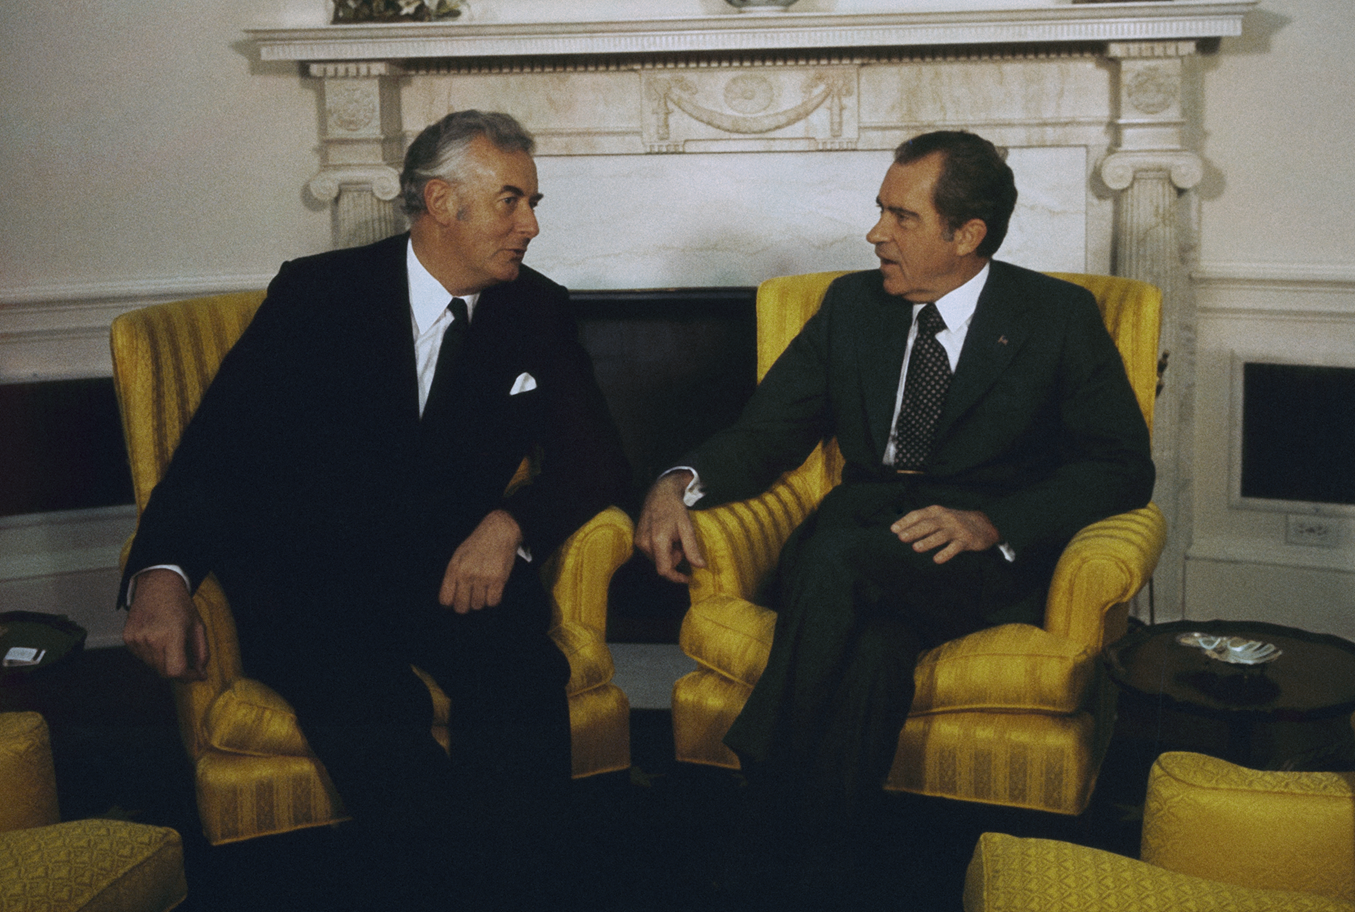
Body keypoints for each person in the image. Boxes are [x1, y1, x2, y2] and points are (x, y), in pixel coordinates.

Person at [121, 110, 629, 910]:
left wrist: (509, 525)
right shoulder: (319, 294)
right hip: (315, 578)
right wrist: (162, 571)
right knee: (375, 711)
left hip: (449, 570)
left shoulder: (536, 307)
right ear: (441, 201)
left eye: (533, 202)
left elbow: (595, 455)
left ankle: (516, 884)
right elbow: (218, 449)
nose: (531, 224)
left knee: (524, 673)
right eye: (511, 200)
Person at [636, 130, 1155, 904]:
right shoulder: (851, 306)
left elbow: (1119, 464)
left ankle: (760, 790)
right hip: (865, 531)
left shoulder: (1054, 316)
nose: (875, 232)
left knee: (834, 559)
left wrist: (995, 523)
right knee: (876, 650)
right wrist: (678, 479)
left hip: (973, 556)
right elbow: (768, 430)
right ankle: (819, 870)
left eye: (900, 216)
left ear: (965, 234)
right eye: (880, 210)